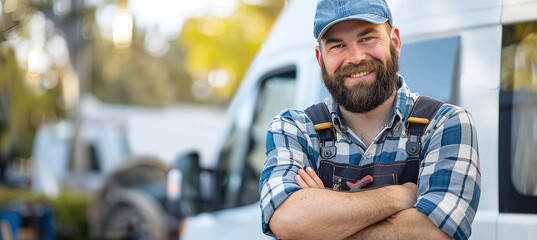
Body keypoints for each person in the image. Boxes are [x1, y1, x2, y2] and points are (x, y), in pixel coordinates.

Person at [259, 0, 481, 239]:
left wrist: (321, 222)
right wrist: (399, 196)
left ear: (394, 43)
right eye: (337, 46)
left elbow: (437, 233)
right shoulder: (295, 128)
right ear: (320, 58)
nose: (355, 57)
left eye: (367, 38)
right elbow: (288, 219)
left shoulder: (446, 123)